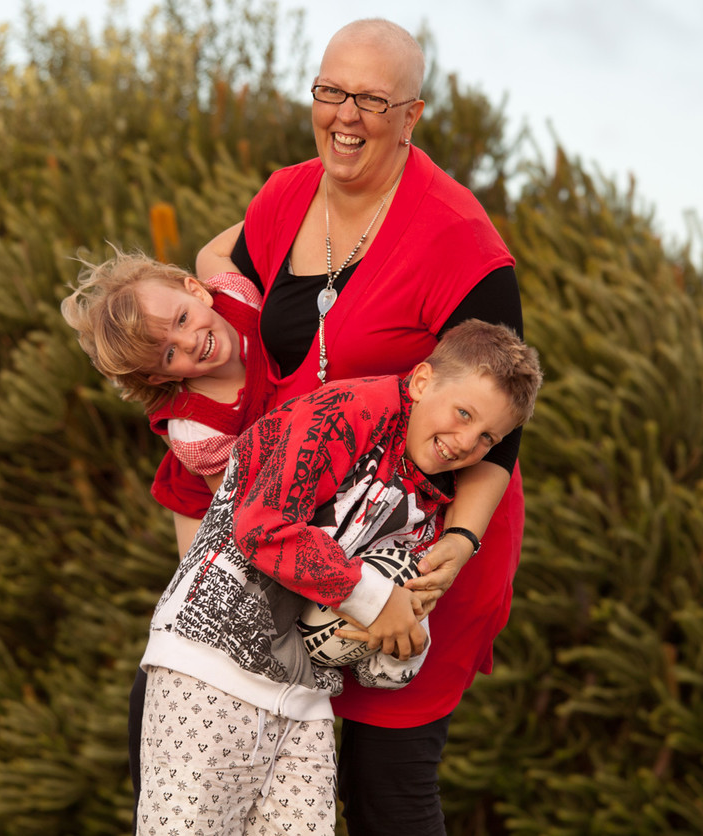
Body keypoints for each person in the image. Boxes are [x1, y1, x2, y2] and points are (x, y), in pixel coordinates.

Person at [196, 17, 528, 835]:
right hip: (294, 534)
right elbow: (225, 263)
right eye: (330, 92)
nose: (346, 116)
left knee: (385, 792)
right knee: (206, 749)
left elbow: (502, 427)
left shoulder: (460, 241)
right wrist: (211, 294)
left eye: (373, 101)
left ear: (411, 115)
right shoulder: (286, 193)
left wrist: (459, 544)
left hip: (420, 544)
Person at [136, 320, 542, 835]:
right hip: (209, 668)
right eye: (463, 414)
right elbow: (261, 528)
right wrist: (374, 600)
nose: (467, 442)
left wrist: (405, 643)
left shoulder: (432, 498)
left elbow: (380, 658)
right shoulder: (343, 412)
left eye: (488, 436)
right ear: (421, 382)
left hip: (305, 700)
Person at [60, 247, 276, 553]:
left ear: (197, 291)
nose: (190, 342)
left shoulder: (238, 296)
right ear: (160, 377)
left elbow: (228, 243)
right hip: (212, 501)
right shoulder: (199, 431)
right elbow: (240, 505)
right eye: (169, 354)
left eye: (183, 319)